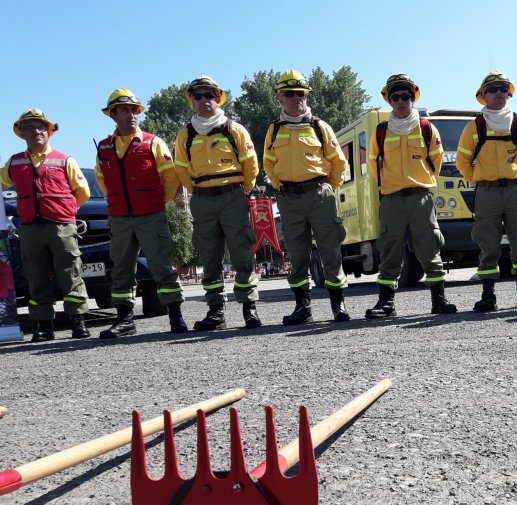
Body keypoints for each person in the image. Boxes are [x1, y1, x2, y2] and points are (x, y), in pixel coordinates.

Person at [95, 89, 187, 338]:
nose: (131, 115)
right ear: (112, 115)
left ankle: (176, 317)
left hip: (150, 215)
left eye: (134, 110)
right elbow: (102, 179)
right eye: (125, 110)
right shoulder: (104, 147)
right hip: (120, 218)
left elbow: (170, 176)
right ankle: (125, 320)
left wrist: (157, 201)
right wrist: (116, 200)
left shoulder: (152, 142)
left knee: (161, 266)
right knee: (122, 269)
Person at [364, 73, 457, 319]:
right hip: (392, 200)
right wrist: (392, 185)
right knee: (389, 250)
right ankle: (386, 303)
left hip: (420, 198)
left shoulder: (427, 128)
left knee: (429, 248)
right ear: (389, 101)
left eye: (406, 96)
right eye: (396, 96)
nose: (401, 100)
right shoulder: (381, 132)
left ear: (413, 98)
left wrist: (420, 182)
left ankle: (439, 300)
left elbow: (435, 162)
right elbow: (374, 167)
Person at [173, 76, 261, 330]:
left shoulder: (234, 129)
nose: (204, 100)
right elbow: (181, 168)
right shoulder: (185, 134)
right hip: (202, 199)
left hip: (232, 195)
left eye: (209, 95)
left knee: (242, 253)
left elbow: (250, 164)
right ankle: (216, 312)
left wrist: (241, 191)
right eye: (198, 96)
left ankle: (249, 309)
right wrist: (198, 192)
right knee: (209, 257)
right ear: (192, 100)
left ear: (218, 98)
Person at [263, 69, 350, 324]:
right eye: (289, 94)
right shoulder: (274, 129)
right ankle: (303, 308)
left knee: (330, 249)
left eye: (300, 93)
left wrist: (327, 189)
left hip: (319, 194)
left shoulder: (319, 126)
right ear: (280, 98)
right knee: (297, 253)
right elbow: (268, 163)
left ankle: (338, 305)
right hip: (289, 197)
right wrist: (281, 187)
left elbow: (338, 162)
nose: (296, 98)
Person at [0, 109, 91, 342]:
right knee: (36, 276)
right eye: (29, 127)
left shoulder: (65, 159)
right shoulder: (15, 162)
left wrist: (67, 212)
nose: (36, 131)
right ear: (22, 133)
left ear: (49, 132)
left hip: (61, 226)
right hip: (30, 229)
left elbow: (83, 192)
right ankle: (44, 326)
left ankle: (78, 323)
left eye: (41, 127)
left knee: (70, 274)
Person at [456, 71, 517, 312]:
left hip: (516, 190)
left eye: (503, 88)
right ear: (483, 96)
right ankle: (488, 297)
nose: (499, 93)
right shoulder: (474, 127)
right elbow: (463, 162)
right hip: (487, 193)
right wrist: (482, 180)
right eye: (493, 89)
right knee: (488, 244)